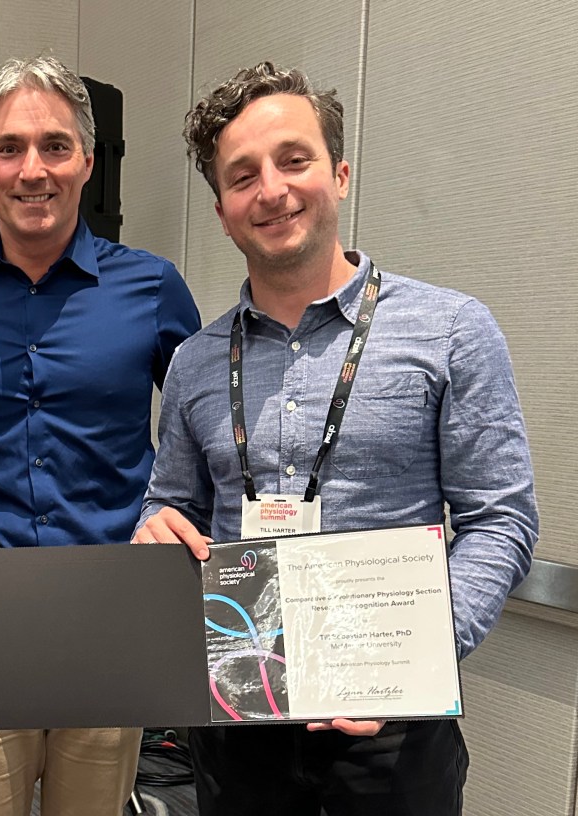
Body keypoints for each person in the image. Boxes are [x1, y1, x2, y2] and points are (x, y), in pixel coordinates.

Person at [133, 62, 538, 816]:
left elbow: (500, 521)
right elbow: (171, 505)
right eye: (243, 176)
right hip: (237, 724)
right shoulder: (193, 362)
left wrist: (411, 657)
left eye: (294, 160)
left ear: (340, 174)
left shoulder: (451, 332)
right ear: (222, 211)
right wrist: (154, 529)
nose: (272, 190)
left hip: (393, 734)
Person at [0, 56, 201, 816]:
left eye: (55, 146)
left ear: (88, 162)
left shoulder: (152, 287)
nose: (33, 169)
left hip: (111, 607)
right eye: (10, 148)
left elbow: (203, 431)